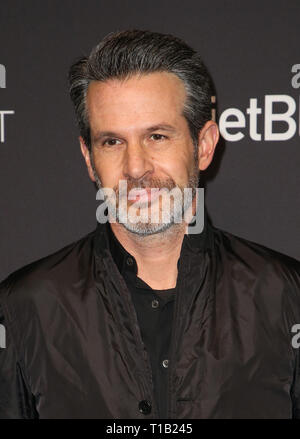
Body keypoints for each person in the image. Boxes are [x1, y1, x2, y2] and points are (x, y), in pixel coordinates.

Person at [0, 29, 300, 420]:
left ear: (204, 145)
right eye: (112, 142)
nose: (136, 167)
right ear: (89, 158)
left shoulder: (286, 296)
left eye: (157, 136)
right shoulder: (25, 306)